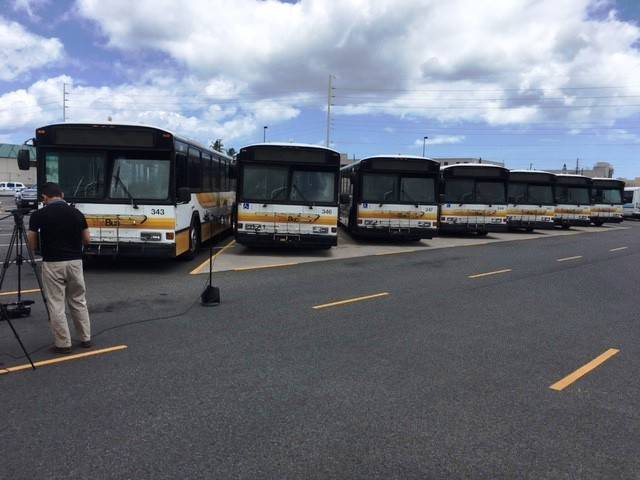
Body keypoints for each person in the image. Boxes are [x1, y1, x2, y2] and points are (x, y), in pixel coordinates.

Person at [27, 182, 92, 354]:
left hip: (53, 262)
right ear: (62, 195)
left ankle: (63, 344)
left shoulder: (38, 215)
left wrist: (38, 250)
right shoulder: (77, 213)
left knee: (56, 303)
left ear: (44, 197)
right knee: (78, 300)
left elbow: (32, 241)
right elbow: (87, 239)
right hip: (75, 262)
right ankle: (85, 338)